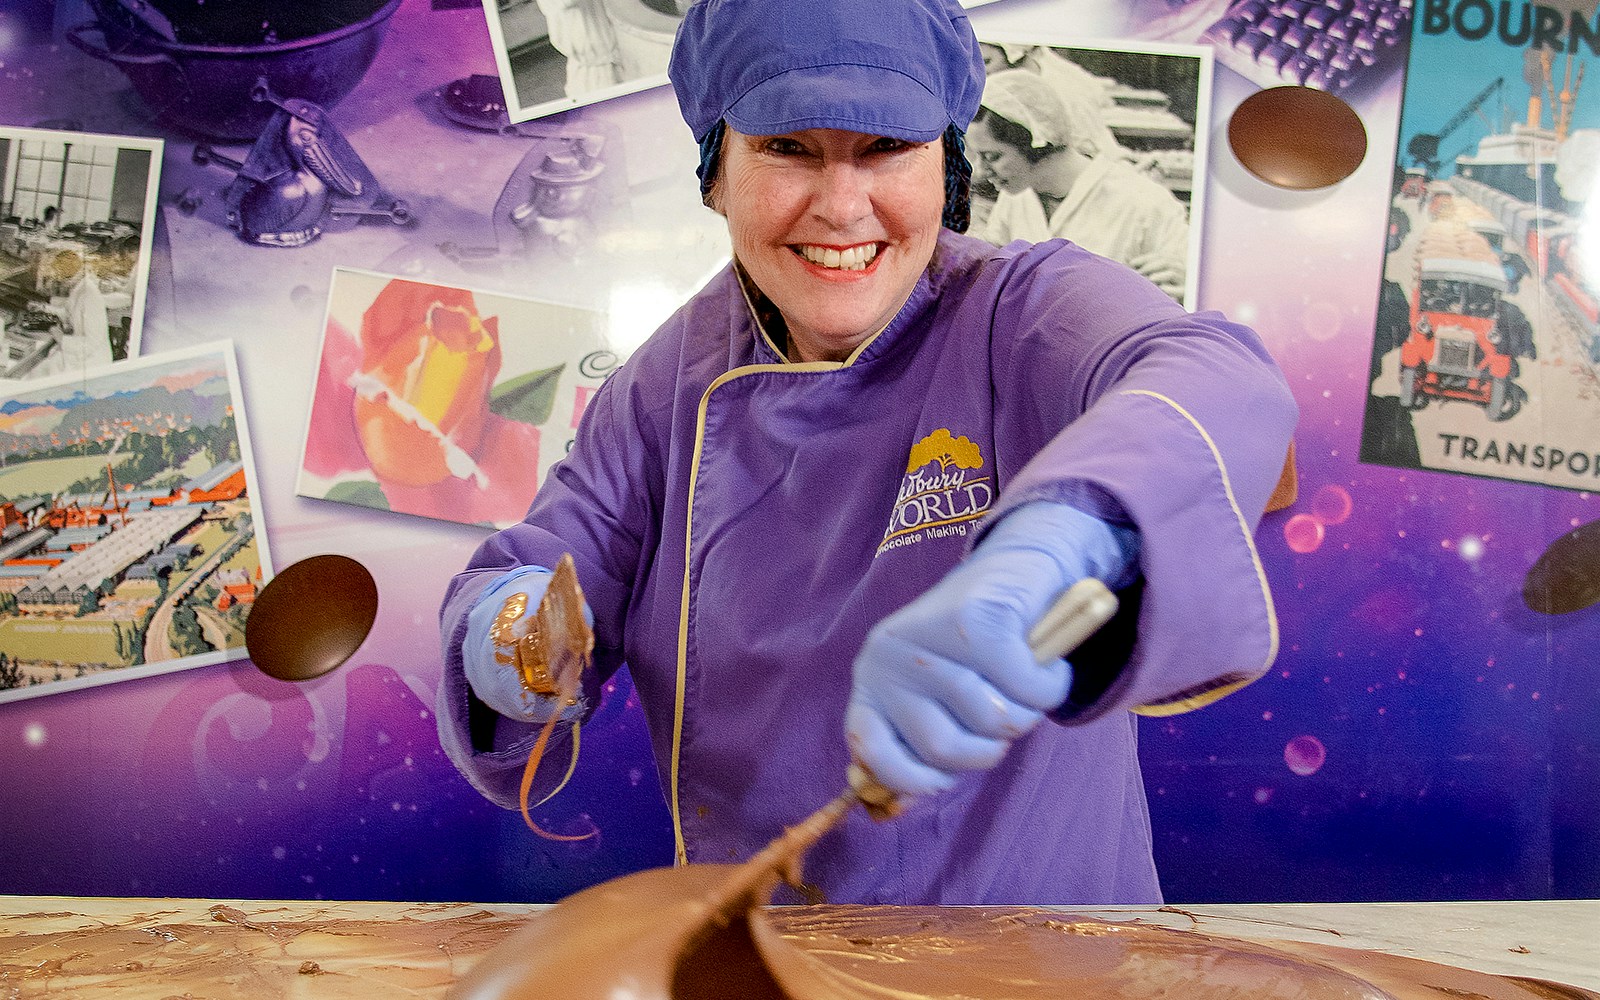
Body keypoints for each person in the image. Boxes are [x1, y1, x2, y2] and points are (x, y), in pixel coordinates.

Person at [438, 0, 1297, 906]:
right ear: (715, 173)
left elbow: (1216, 378)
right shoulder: (661, 391)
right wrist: (516, 638)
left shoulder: (1024, 311)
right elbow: (541, 572)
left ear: (947, 168)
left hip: (1054, 955)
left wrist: (1060, 539)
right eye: (787, 148)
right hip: (767, 953)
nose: (843, 207)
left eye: (887, 148)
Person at [970, 69, 1190, 301]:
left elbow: (1187, 288)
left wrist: (1185, 279)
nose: (980, 171)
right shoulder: (1016, 196)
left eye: (992, 157)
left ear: (1032, 144)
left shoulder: (1145, 203)